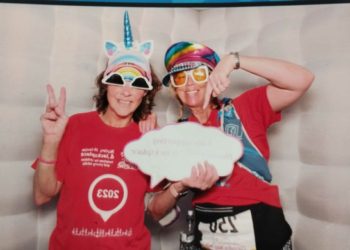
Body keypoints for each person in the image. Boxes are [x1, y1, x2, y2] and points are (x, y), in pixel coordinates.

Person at [32, 13, 219, 250]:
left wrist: (178, 186)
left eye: (137, 84)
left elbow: (155, 209)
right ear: (105, 84)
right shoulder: (74, 126)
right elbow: (42, 195)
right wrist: (50, 140)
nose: (126, 92)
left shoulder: (150, 138)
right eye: (118, 80)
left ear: (145, 94)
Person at [160, 41, 314, 250]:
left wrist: (234, 61)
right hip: (207, 235)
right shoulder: (176, 135)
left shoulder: (244, 108)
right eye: (180, 77)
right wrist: (180, 186)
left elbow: (302, 80)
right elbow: (157, 210)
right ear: (175, 88)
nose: (189, 84)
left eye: (198, 74)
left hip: (263, 226)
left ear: (213, 77)